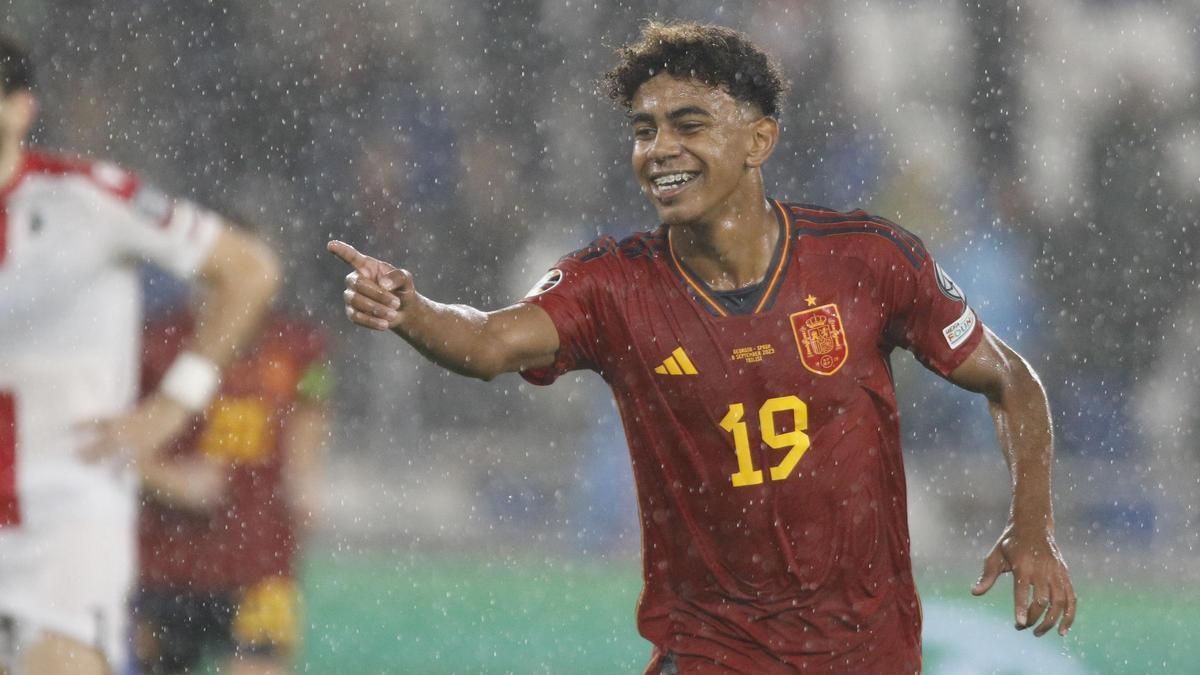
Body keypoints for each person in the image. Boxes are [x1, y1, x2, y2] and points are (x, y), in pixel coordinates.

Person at [329, 21, 1076, 673]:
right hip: (714, 650)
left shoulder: (867, 261)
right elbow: (490, 340)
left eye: (689, 124)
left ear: (760, 138)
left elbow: (1012, 381)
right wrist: (413, 308)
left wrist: (1034, 528)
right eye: (644, 129)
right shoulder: (613, 286)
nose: (660, 149)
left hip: (868, 654)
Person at [0, 36, 279, 675]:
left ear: (20, 107)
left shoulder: (89, 199)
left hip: (62, 517)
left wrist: (175, 402)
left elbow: (249, 269)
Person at [133, 309, 330, 675]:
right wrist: (169, 479)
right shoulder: (156, 346)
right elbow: (110, 444)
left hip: (262, 559)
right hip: (168, 562)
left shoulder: (297, 346)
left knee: (260, 663)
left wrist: (306, 476)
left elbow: (311, 408)